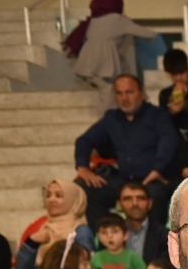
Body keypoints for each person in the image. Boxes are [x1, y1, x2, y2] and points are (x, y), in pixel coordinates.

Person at [74, 74, 178, 229]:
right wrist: (82, 167)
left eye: (129, 92)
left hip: (152, 179)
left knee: (154, 195)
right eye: (119, 93)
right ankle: (104, 235)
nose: (124, 98)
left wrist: (157, 169)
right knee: (86, 186)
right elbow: (84, 141)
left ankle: (154, 241)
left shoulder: (157, 115)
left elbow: (169, 140)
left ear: (142, 93)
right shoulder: (112, 118)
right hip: (124, 180)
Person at [65, 0, 160, 108]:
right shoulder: (118, 20)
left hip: (88, 64)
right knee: (108, 92)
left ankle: (138, 94)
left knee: (124, 66)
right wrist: (155, 34)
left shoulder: (93, 20)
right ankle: (106, 118)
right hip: (104, 66)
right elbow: (145, 33)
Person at [116, 179, 169, 263]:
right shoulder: (109, 234)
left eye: (141, 198)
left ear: (150, 203)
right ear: (119, 205)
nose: (135, 203)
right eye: (128, 199)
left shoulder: (164, 236)